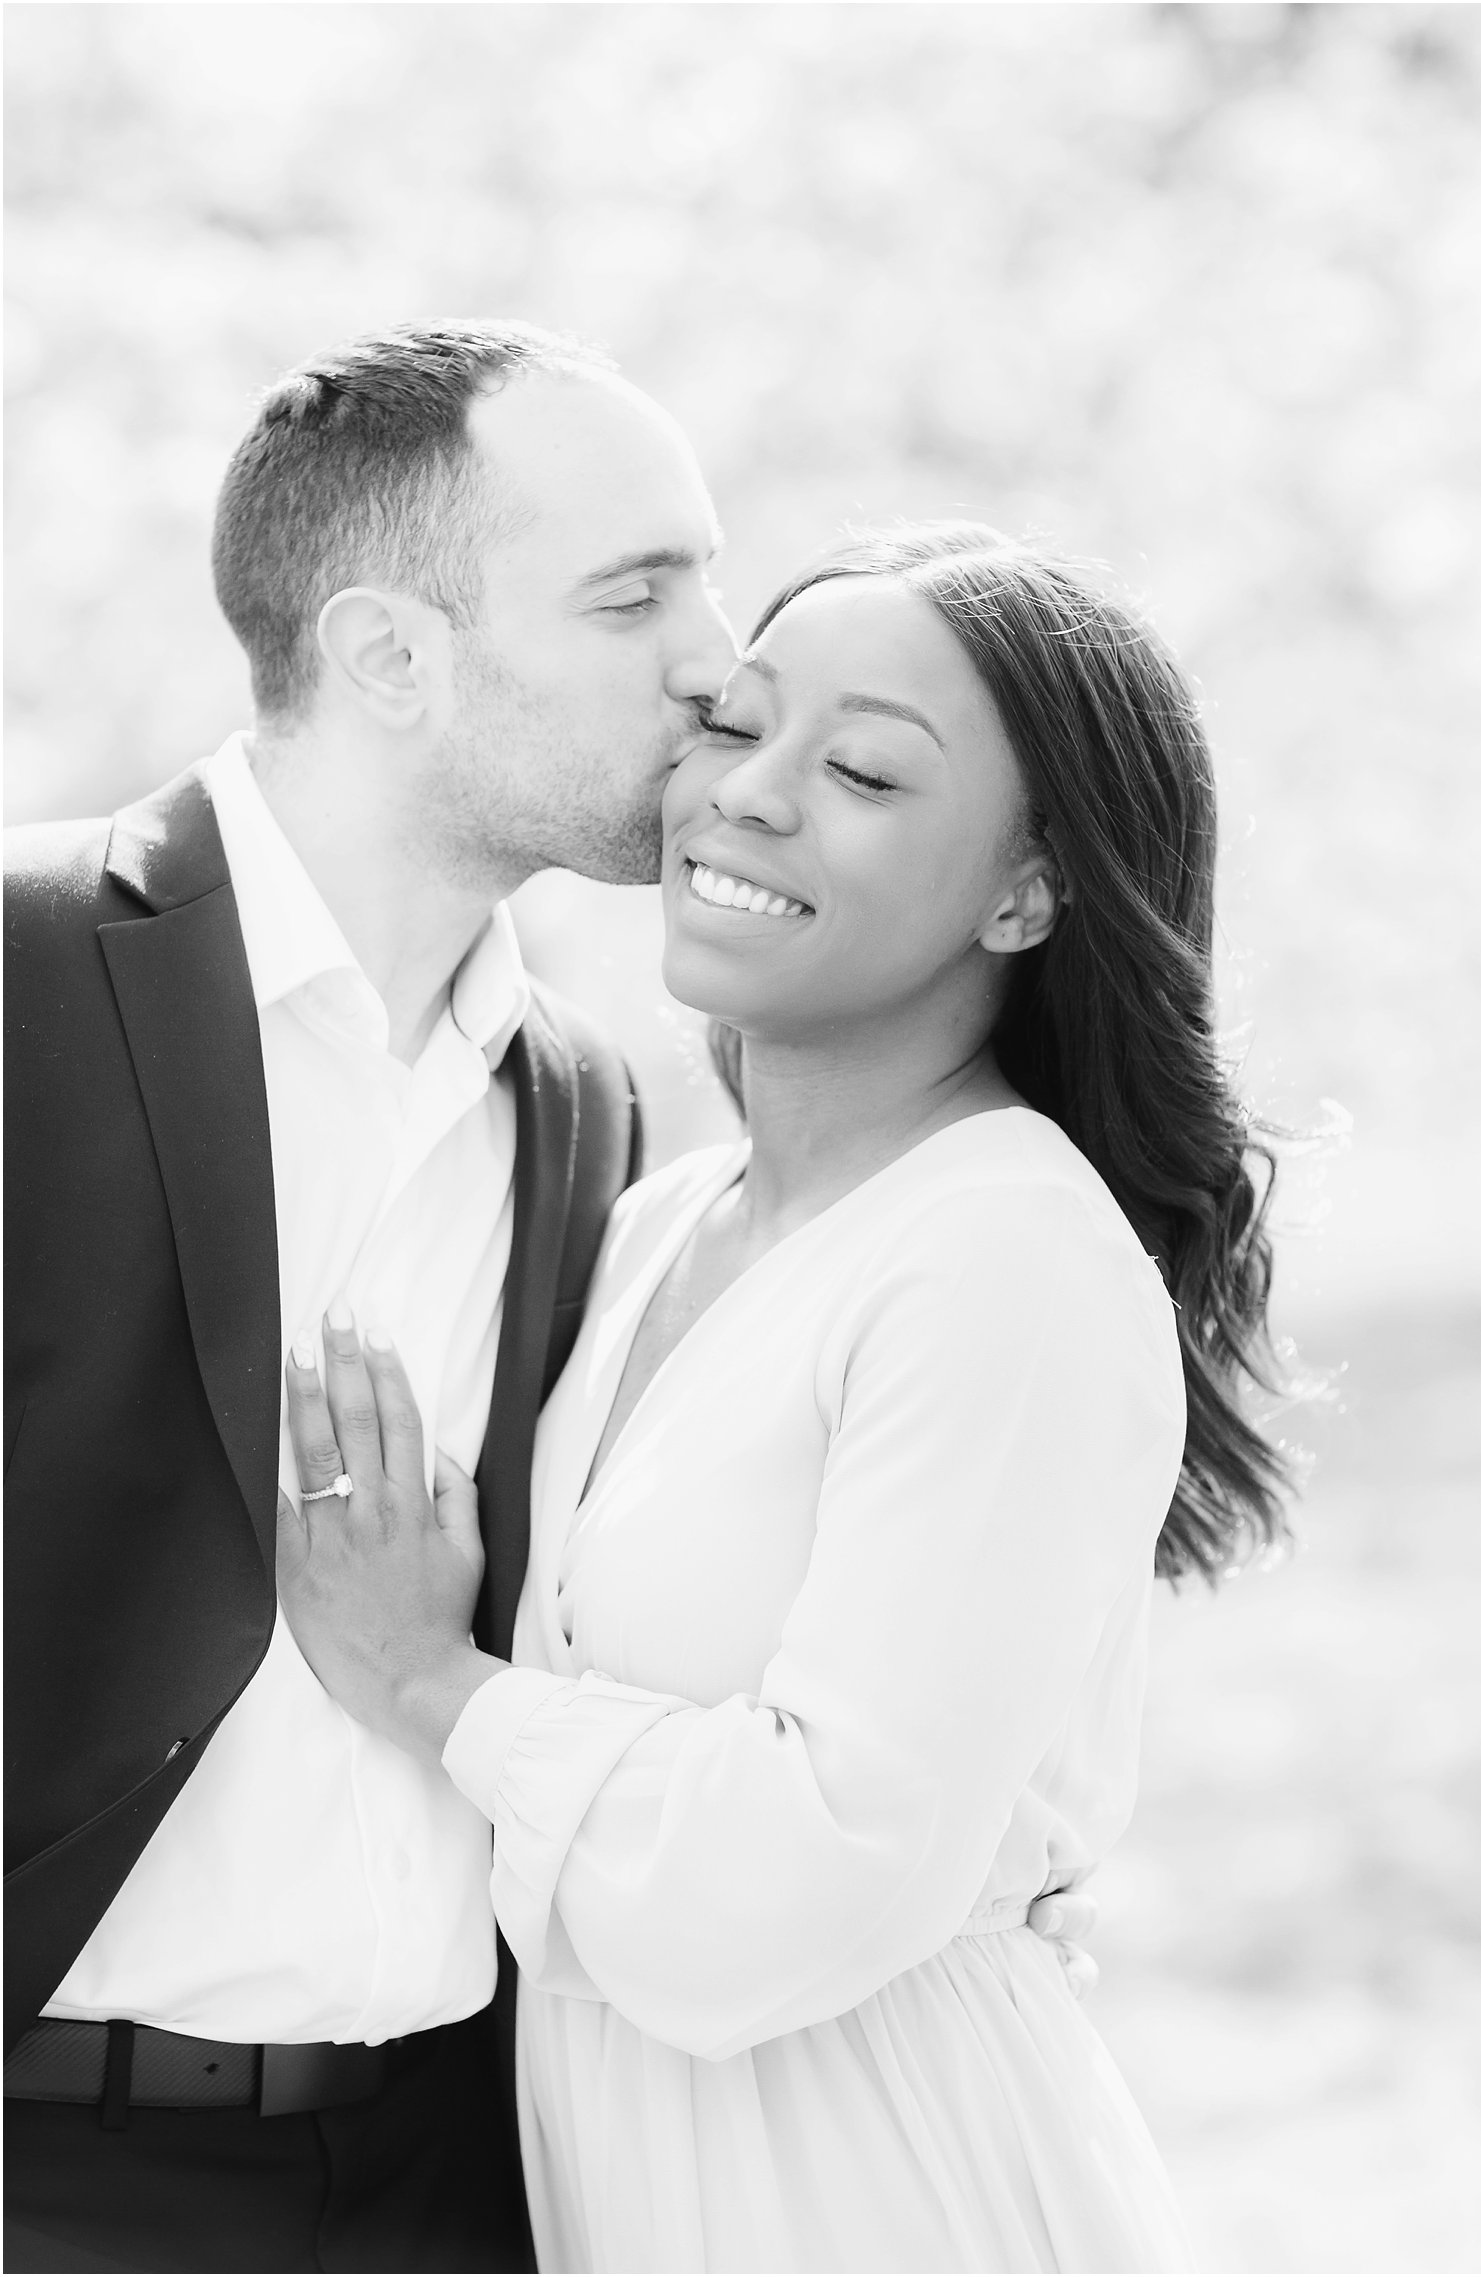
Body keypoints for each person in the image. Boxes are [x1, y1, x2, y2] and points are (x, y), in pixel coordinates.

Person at [3, 326, 1089, 2274]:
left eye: (708, 571)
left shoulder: (581, 1098)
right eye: (632, 591)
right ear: (390, 656)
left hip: (470, 2177)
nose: (717, 655)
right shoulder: (19, 973)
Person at [277, 523, 1294, 2272]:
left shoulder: (1003, 1255)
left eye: (868, 770)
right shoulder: (666, 1216)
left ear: (1027, 892)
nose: (747, 795)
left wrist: (437, 1683)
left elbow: (805, 1876)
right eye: (736, 724)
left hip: (877, 2190)